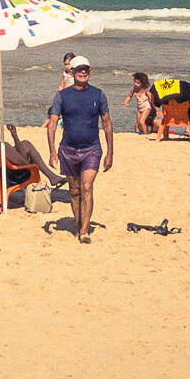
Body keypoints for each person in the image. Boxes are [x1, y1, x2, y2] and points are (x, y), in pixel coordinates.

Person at [45, 55, 113, 243]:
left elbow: (107, 124)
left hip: (92, 149)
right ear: (71, 72)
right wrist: (52, 152)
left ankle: (84, 231)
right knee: (74, 191)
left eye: (85, 69)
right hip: (68, 150)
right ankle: (78, 223)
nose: (83, 72)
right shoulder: (62, 96)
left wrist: (110, 152)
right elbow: (52, 124)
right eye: (79, 69)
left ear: (90, 71)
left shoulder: (98, 95)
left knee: (86, 187)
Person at [0, 109, 65, 187]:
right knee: (28, 151)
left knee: (25, 144)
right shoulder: (2, 147)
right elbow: (23, 161)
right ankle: (51, 177)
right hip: (9, 179)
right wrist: (15, 136)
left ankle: (52, 177)